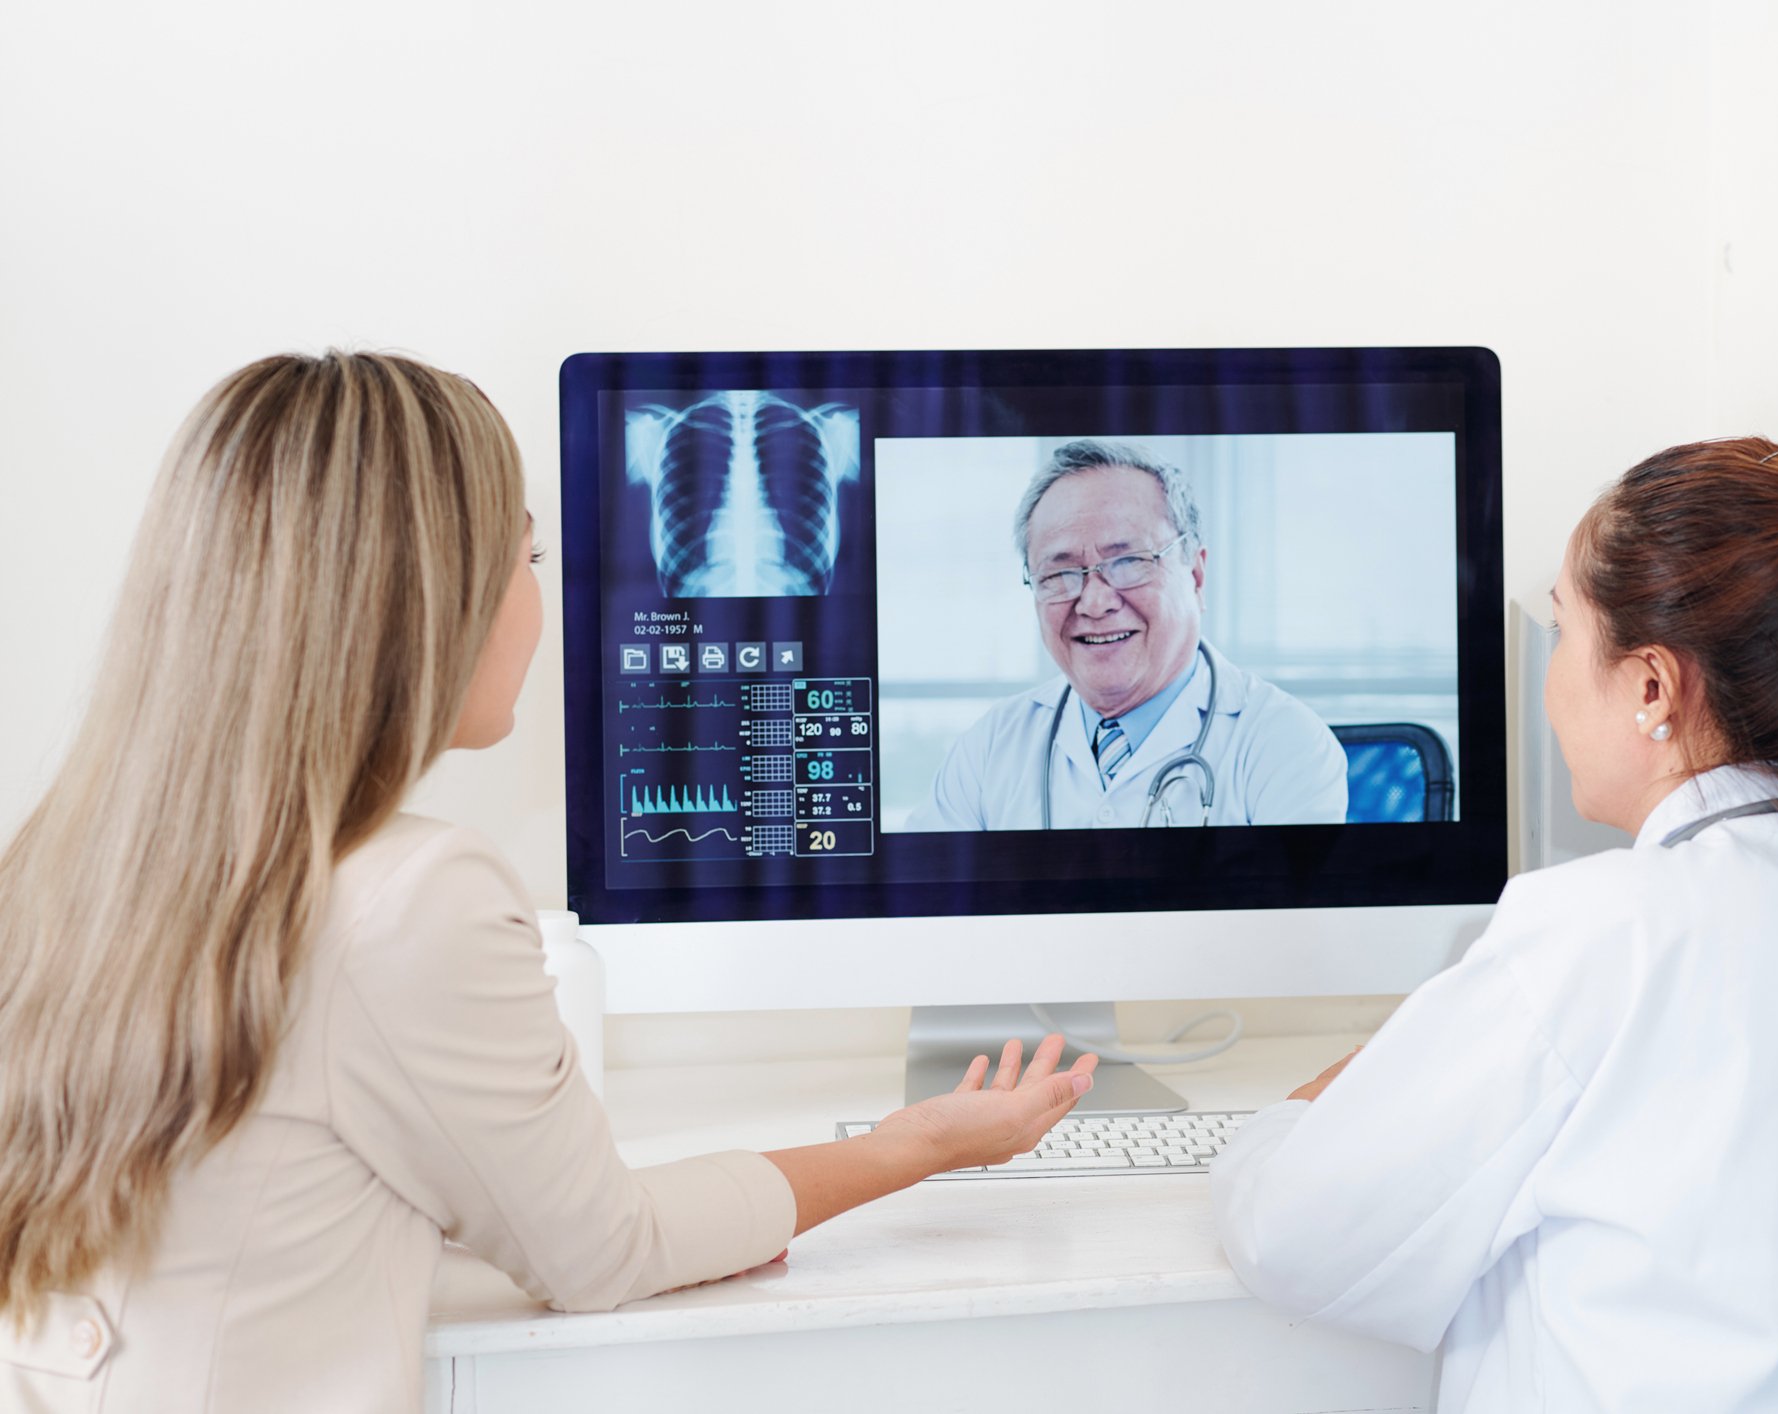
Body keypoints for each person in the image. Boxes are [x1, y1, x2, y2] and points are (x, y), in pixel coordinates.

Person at [0, 353, 1095, 1413]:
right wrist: (918, 1145)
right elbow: (605, 1248)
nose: (543, 600)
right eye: (527, 560)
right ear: (427, 603)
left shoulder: (67, 864)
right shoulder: (408, 895)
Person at [1212, 438, 1778, 1413]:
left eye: (1564, 631)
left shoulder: (1607, 935)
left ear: (1652, 686)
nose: (1553, 678)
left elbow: (1298, 1236)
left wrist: (1296, 1117)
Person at [904, 438, 1347, 830]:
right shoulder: (990, 748)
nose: (1094, 603)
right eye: (1060, 573)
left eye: (1129, 562)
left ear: (1194, 576)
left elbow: (1287, 925)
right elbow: (920, 907)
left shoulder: (1285, 745)